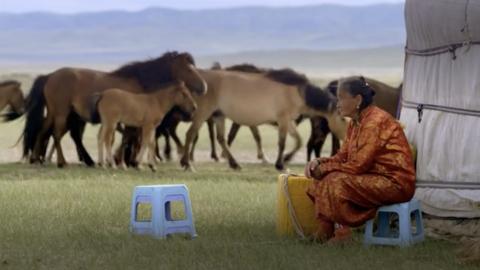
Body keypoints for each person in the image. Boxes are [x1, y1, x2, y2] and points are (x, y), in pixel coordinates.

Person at [304, 76, 415, 242]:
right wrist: (319, 162)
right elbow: (343, 156)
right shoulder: (355, 123)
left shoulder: (375, 122)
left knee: (335, 182)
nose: (337, 103)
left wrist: (325, 169)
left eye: (341, 98)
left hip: (394, 183)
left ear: (358, 99)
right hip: (371, 176)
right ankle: (325, 230)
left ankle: (346, 234)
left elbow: (358, 165)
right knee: (321, 179)